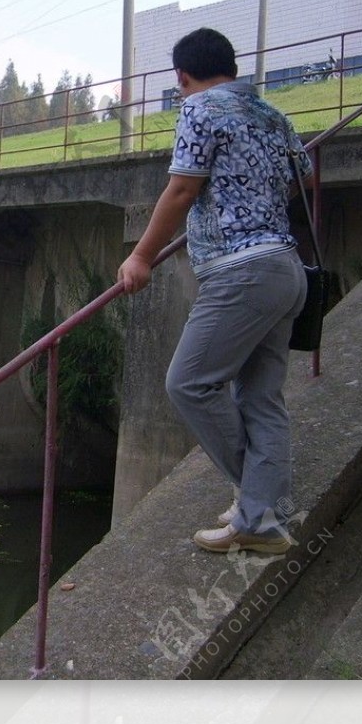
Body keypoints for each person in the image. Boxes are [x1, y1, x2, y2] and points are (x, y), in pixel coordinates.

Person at [117, 27, 313, 555]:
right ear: (231, 63)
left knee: (189, 383)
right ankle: (261, 515)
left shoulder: (200, 110)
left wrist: (140, 255)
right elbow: (304, 176)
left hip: (240, 272)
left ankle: (257, 508)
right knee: (261, 399)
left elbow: (182, 187)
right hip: (285, 269)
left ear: (183, 77)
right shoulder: (275, 116)